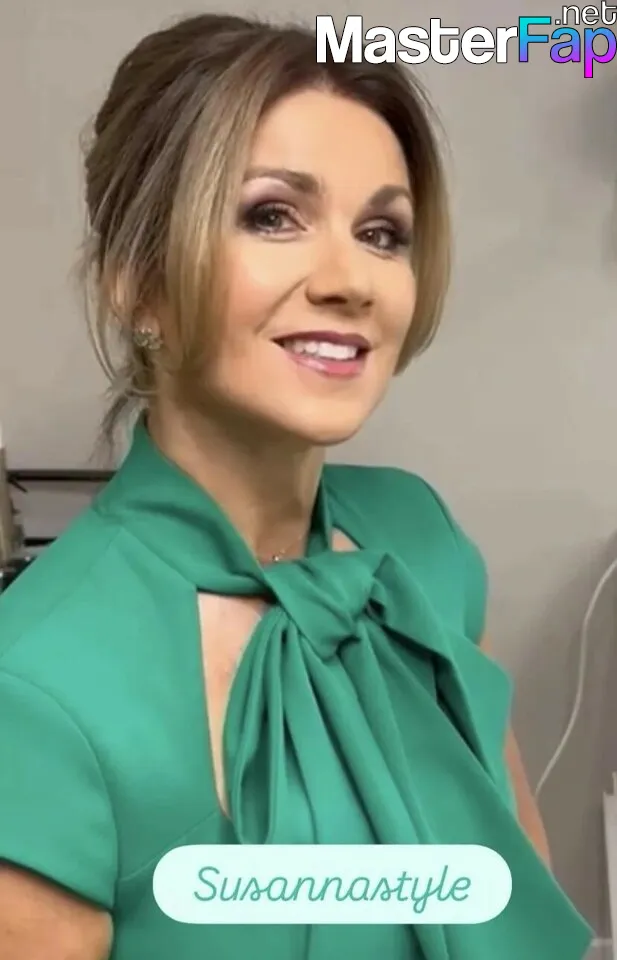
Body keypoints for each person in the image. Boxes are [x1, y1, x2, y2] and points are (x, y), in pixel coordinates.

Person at [0, 11, 593, 960]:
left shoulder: (422, 543)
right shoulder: (31, 688)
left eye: (382, 232)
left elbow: (517, 883)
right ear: (136, 282)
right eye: (271, 215)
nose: (349, 279)